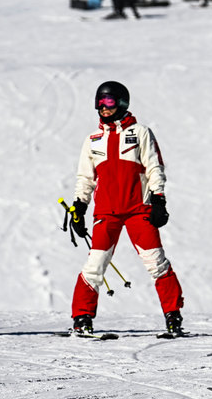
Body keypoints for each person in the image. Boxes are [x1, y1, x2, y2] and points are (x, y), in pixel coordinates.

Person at [67, 81, 185, 336]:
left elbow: (154, 167)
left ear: (121, 103)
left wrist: (159, 199)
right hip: (106, 213)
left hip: (138, 210)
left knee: (156, 262)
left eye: (109, 102)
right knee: (95, 265)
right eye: (99, 102)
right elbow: (85, 178)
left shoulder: (140, 133)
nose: (103, 107)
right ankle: (82, 319)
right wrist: (79, 207)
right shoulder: (93, 140)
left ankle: (173, 317)